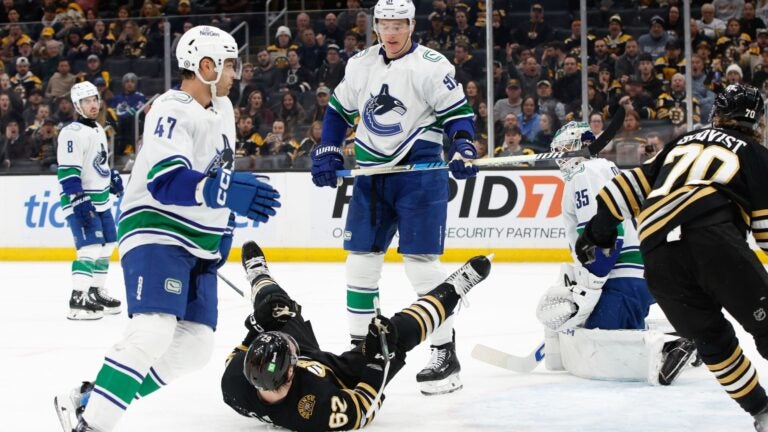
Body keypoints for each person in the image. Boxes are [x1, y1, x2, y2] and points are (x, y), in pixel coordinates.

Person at [54, 25, 281, 432]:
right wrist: (223, 191)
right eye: (230, 64)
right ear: (206, 66)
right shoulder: (171, 107)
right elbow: (165, 178)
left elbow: (216, 174)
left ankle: (94, 398)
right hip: (157, 230)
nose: (236, 73)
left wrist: (222, 229)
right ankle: (91, 426)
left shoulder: (223, 109)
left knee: (195, 347)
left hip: (199, 242)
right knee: (153, 330)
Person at [573, 84, 768, 431]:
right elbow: (766, 230)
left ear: (717, 114)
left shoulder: (683, 141)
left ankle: (762, 412)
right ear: (757, 122)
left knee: (714, 344)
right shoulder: (755, 153)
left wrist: (596, 233)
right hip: (714, 237)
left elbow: (626, 188)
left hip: (658, 254)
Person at [309, 0, 478, 396]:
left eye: (398, 24)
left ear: (412, 25)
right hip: (371, 177)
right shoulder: (361, 64)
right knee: (360, 265)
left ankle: (444, 352)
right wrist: (330, 148)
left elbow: (457, 117)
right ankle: (361, 353)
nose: (391, 31)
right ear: (376, 26)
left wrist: (464, 146)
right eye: (384, 23)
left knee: (421, 267)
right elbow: (337, 111)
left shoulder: (432, 66)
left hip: (419, 177)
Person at [221, 241, 492, 431]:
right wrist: (376, 360)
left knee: (277, 308)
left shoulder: (234, 383)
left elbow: (244, 349)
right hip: (341, 375)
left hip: (292, 364)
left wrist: (257, 324)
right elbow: (364, 408)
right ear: (291, 371)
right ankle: (454, 288)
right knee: (394, 336)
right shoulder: (315, 411)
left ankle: (258, 275)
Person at [536, 121, 695, 385]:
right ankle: (691, 334)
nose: (561, 158)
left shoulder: (584, 173)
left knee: (601, 341)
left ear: (584, 146)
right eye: (558, 150)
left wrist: (590, 284)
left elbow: (608, 232)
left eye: (565, 149)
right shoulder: (604, 169)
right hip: (638, 272)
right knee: (594, 331)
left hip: (622, 276)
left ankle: (675, 344)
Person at [54, 81, 122, 320]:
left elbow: (98, 163)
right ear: (77, 105)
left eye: (94, 99)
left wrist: (110, 176)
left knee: (108, 245)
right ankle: (78, 298)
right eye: (86, 101)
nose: (92, 104)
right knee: (90, 248)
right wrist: (78, 199)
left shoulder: (98, 129)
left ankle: (95, 291)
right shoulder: (71, 133)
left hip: (101, 199)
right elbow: (68, 173)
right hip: (82, 200)